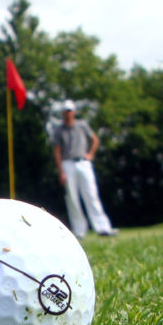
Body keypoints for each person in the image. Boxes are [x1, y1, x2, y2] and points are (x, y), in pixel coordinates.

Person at [51, 99, 118, 238]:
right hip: (67, 164)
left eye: (70, 111)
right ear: (63, 113)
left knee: (92, 195)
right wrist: (61, 172)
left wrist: (90, 154)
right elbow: (57, 151)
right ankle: (79, 230)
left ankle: (103, 228)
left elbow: (95, 139)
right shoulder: (58, 130)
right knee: (72, 198)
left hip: (83, 162)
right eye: (66, 111)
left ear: (74, 112)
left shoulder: (82, 125)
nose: (68, 113)